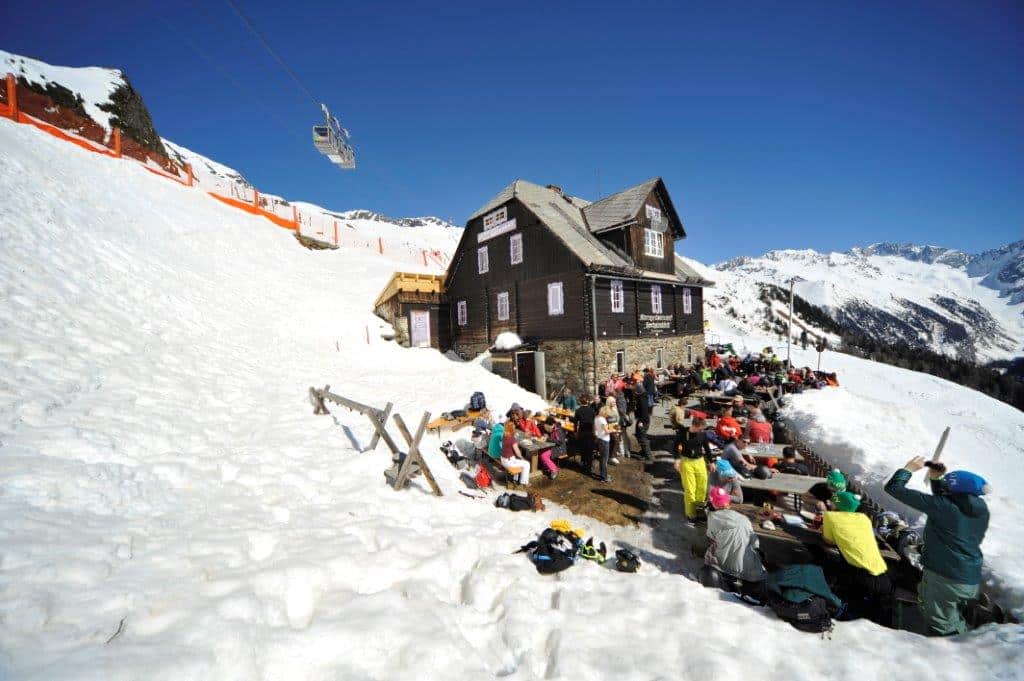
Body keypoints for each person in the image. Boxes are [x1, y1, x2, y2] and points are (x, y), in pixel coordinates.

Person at [884, 457, 990, 636]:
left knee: (941, 626)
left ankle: (947, 652)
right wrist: (935, 479)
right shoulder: (980, 509)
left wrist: (908, 469)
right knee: (953, 619)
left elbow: (894, 488)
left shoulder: (943, 507)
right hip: (968, 577)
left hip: (945, 578)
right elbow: (948, 501)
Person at [822, 491, 892, 622]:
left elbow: (828, 540)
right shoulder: (863, 518)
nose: (830, 503)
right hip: (882, 575)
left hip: (859, 577)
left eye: (833, 502)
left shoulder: (830, 516)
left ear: (838, 505)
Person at [705, 486, 766, 585]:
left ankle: (722, 575)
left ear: (713, 503)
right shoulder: (744, 518)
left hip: (726, 568)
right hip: (752, 572)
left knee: (711, 550)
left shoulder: (713, 517)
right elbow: (755, 542)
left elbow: (710, 536)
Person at [679, 417, 712, 523]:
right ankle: (691, 515)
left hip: (700, 461)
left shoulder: (703, 434)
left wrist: (711, 462)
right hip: (687, 462)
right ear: (694, 426)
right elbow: (675, 447)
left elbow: (707, 449)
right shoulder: (683, 433)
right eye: (701, 429)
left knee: (702, 487)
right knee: (690, 490)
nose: (702, 431)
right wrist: (676, 460)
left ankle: (699, 510)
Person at [499, 420, 531, 484]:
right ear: (512, 429)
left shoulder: (504, 436)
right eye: (514, 428)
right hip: (509, 462)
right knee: (527, 464)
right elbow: (517, 452)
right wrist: (522, 458)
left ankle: (515, 479)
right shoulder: (512, 439)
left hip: (503, 459)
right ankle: (523, 482)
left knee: (518, 460)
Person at [573, 394, 596, 469]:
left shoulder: (578, 411)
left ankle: (584, 463)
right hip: (590, 432)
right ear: (588, 401)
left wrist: (575, 432)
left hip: (582, 432)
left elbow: (575, 423)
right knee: (590, 450)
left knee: (583, 448)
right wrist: (594, 432)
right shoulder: (592, 410)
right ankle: (589, 466)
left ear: (580, 402)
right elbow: (594, 422)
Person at [632, 383, 652, 461]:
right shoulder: (642, 396)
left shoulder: (642, 399)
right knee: (638, 435)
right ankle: (644, 452)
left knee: (642, 438)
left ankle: (648, 456)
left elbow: (644, 411)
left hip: (643, 420)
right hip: (642, 419)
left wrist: (641, 422)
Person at [593, 406, 612, 483]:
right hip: (604, 440)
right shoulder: (603, 420)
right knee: (604, 459)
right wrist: (614, 429)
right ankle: (604, 477)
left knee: (602, 458)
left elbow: (595, 429)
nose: (608, 415)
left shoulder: (596, 417)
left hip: (599, 439)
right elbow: (607, 431)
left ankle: (603, 474)